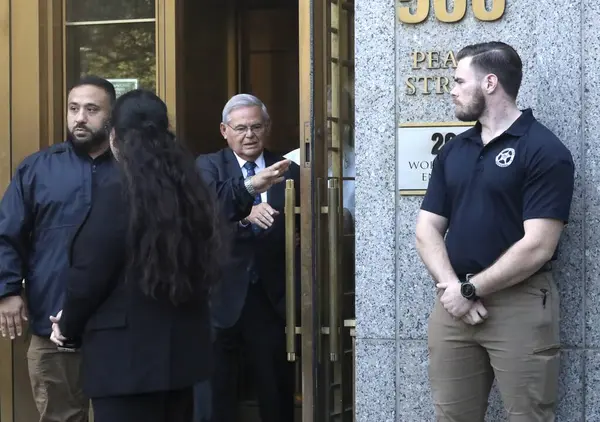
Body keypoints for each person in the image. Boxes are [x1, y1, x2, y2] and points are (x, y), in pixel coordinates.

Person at [415, 41, 575, 421]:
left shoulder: (544, 149)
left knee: (528, 416)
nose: (451, 90)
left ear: (489, 83)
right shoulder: (454, 151)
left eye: (458, 80)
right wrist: (454, 289)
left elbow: (538, 245)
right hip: (452, 306)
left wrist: (471, 290)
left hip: (518, 303)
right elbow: (426, 229)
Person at [47, 89, 217, 422]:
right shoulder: (192, 192)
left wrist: (67, 325)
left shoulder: (118, 193)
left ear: (115, 138)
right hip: (181, 359)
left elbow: (90, 275)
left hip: (125, 363)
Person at [0, 75, 116, 422]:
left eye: (91, 109)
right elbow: (7, 232)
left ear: (112, 116)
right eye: (73, 108)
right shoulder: (39, 167)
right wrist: (7, 290)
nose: (80, 117)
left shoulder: (132, 169)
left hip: (118, 326)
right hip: (51, 320)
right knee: (60, 416)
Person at [196, 94, 299, 422]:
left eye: (256, 127)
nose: (249, 134)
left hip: (271, 298)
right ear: (224, 131)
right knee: (216, 393)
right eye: (241, 128)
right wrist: (245, 212)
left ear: (267, 128)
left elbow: (309, 220)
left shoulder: (288, 168)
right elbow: (204, 212)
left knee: (275, 391)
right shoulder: (208, 167)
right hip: (219, 295)